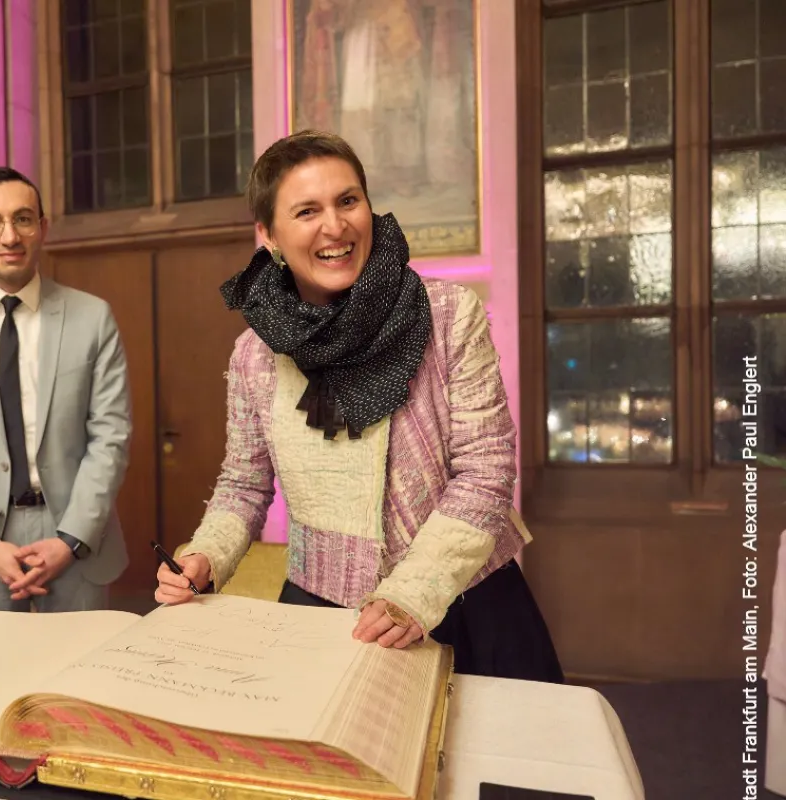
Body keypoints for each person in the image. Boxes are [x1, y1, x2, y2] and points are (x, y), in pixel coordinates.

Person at [155, 131, 563, 682]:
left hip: (463, 601)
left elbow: (485, 470)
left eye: (348, 201)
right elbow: (245, 483)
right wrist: (204, 557)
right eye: (306, 211)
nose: (335, 226)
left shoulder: (445, 315)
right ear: (269, 235)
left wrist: (415, 592)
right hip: (321, 608)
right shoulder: (254, 355)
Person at [0, 166, 132, 612]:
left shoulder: (93, 318)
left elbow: (111, 436)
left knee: (77, 679)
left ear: (42, 228)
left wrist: (69, 540)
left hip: (76, 539)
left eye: (23, 219)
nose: (9, 236)